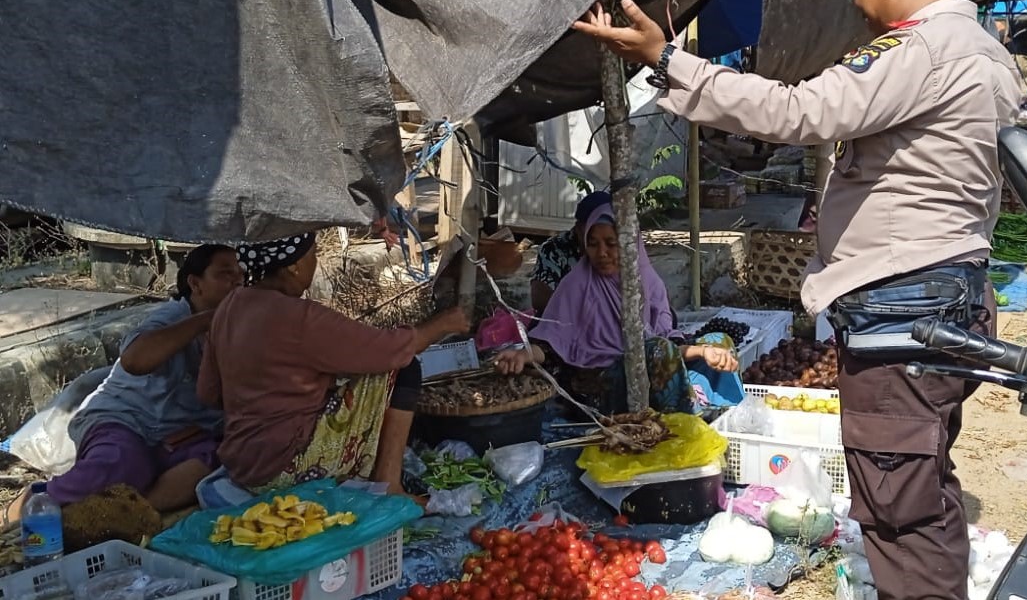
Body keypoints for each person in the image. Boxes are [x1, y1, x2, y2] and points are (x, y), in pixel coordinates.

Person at [573, 0, 1021, 600]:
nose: (859, 5)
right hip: (952, 298)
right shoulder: (989, 54)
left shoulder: (918, 49)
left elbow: (797, 112)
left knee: (898, 507)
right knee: (921, 483)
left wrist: (669, 62)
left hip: (902, 309)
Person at [197, 233, 471, 499]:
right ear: (293, 266)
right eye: (313, 254)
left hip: (242, 464)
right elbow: (392, 349)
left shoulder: (229, 307)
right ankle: (390, 483)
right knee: (404, 367)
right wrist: (442, 324)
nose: (315, 262)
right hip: (284, 468)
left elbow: (208, 393)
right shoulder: (300, 317)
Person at [3, 245, 244, 521]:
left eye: (240, 274)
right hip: (124, 422)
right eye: (225, 274)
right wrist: (205, 321)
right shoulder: (172, 317)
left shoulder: (237, 326)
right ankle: (26, 507)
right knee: (124, 462)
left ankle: (129, 512)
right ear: (195, 283)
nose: (237, 280)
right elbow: (134, 360)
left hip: (178, 436)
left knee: (218, 458)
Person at [496, 205, 739, 414]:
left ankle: (723, 413)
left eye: (611, 243)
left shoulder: (647, 282)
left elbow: (666, 340)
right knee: (660, 351)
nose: (601, 253)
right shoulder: (577, 286)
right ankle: (681, 425)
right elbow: (553, 344)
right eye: (593, 244)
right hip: (604, 387)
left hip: (655, 372)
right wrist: (523, 354)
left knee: (719, 342)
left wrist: (703, 350)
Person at [530, 190, 612, 313]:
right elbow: (539, 298)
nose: (602, 251)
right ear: (578, 228)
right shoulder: (554, 249)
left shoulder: (622, 249)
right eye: (593, 239)